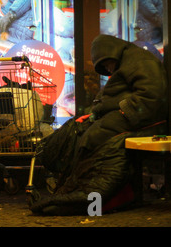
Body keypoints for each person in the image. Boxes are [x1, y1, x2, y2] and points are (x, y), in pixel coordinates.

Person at [30, 34, 168, 215]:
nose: (108, 69)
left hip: (142, 119)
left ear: (109, 53)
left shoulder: (139, 60)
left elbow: (152, 95)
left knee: (93, 136)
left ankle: (86, 193)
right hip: (132, 116)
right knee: (77, 132)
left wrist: (122, 112)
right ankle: (73, 186)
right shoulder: (130, 61)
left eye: (106, 64)